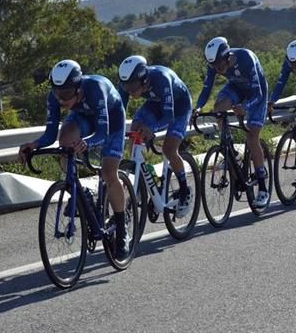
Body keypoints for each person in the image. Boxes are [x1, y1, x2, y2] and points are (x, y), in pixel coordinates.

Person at [18, 59, 130, 259]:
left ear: (79, 87)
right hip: (83, 117)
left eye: (67, 94)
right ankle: (78, 189)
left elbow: (102, 133)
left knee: (108, 173)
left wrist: (87, 142)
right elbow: (50, 135)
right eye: (58, 94)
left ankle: (122, 228)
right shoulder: (55, 96)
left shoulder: (96, 88)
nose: (61, 100)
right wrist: (33, 145)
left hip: (111, 120)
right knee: (65, 141)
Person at [192, 36, 269, 207]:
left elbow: (258, 94)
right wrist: (197, 107)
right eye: (214, 66)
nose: (217, 69)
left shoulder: (246, 58)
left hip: (256, 93)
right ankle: (230, 150)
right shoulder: (214, 63)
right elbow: (206, 89)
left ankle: (263, 188)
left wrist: (246, 107)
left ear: (228, 57)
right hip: (236, 88)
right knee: (218, 108)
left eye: (220, 65)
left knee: (252, 137)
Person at [118, 55, 193, 218]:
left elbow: (169, 116)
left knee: (169, 149)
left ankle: (185, 191)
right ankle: (140, 178)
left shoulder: (162, 79)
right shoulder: (126, 84)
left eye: (134, 86)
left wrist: (151, 129)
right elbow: (120, 112)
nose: (130, 91)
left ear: (144, 80)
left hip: (178, 107)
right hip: (155, 103)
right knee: (135, 128)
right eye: (126, 87)